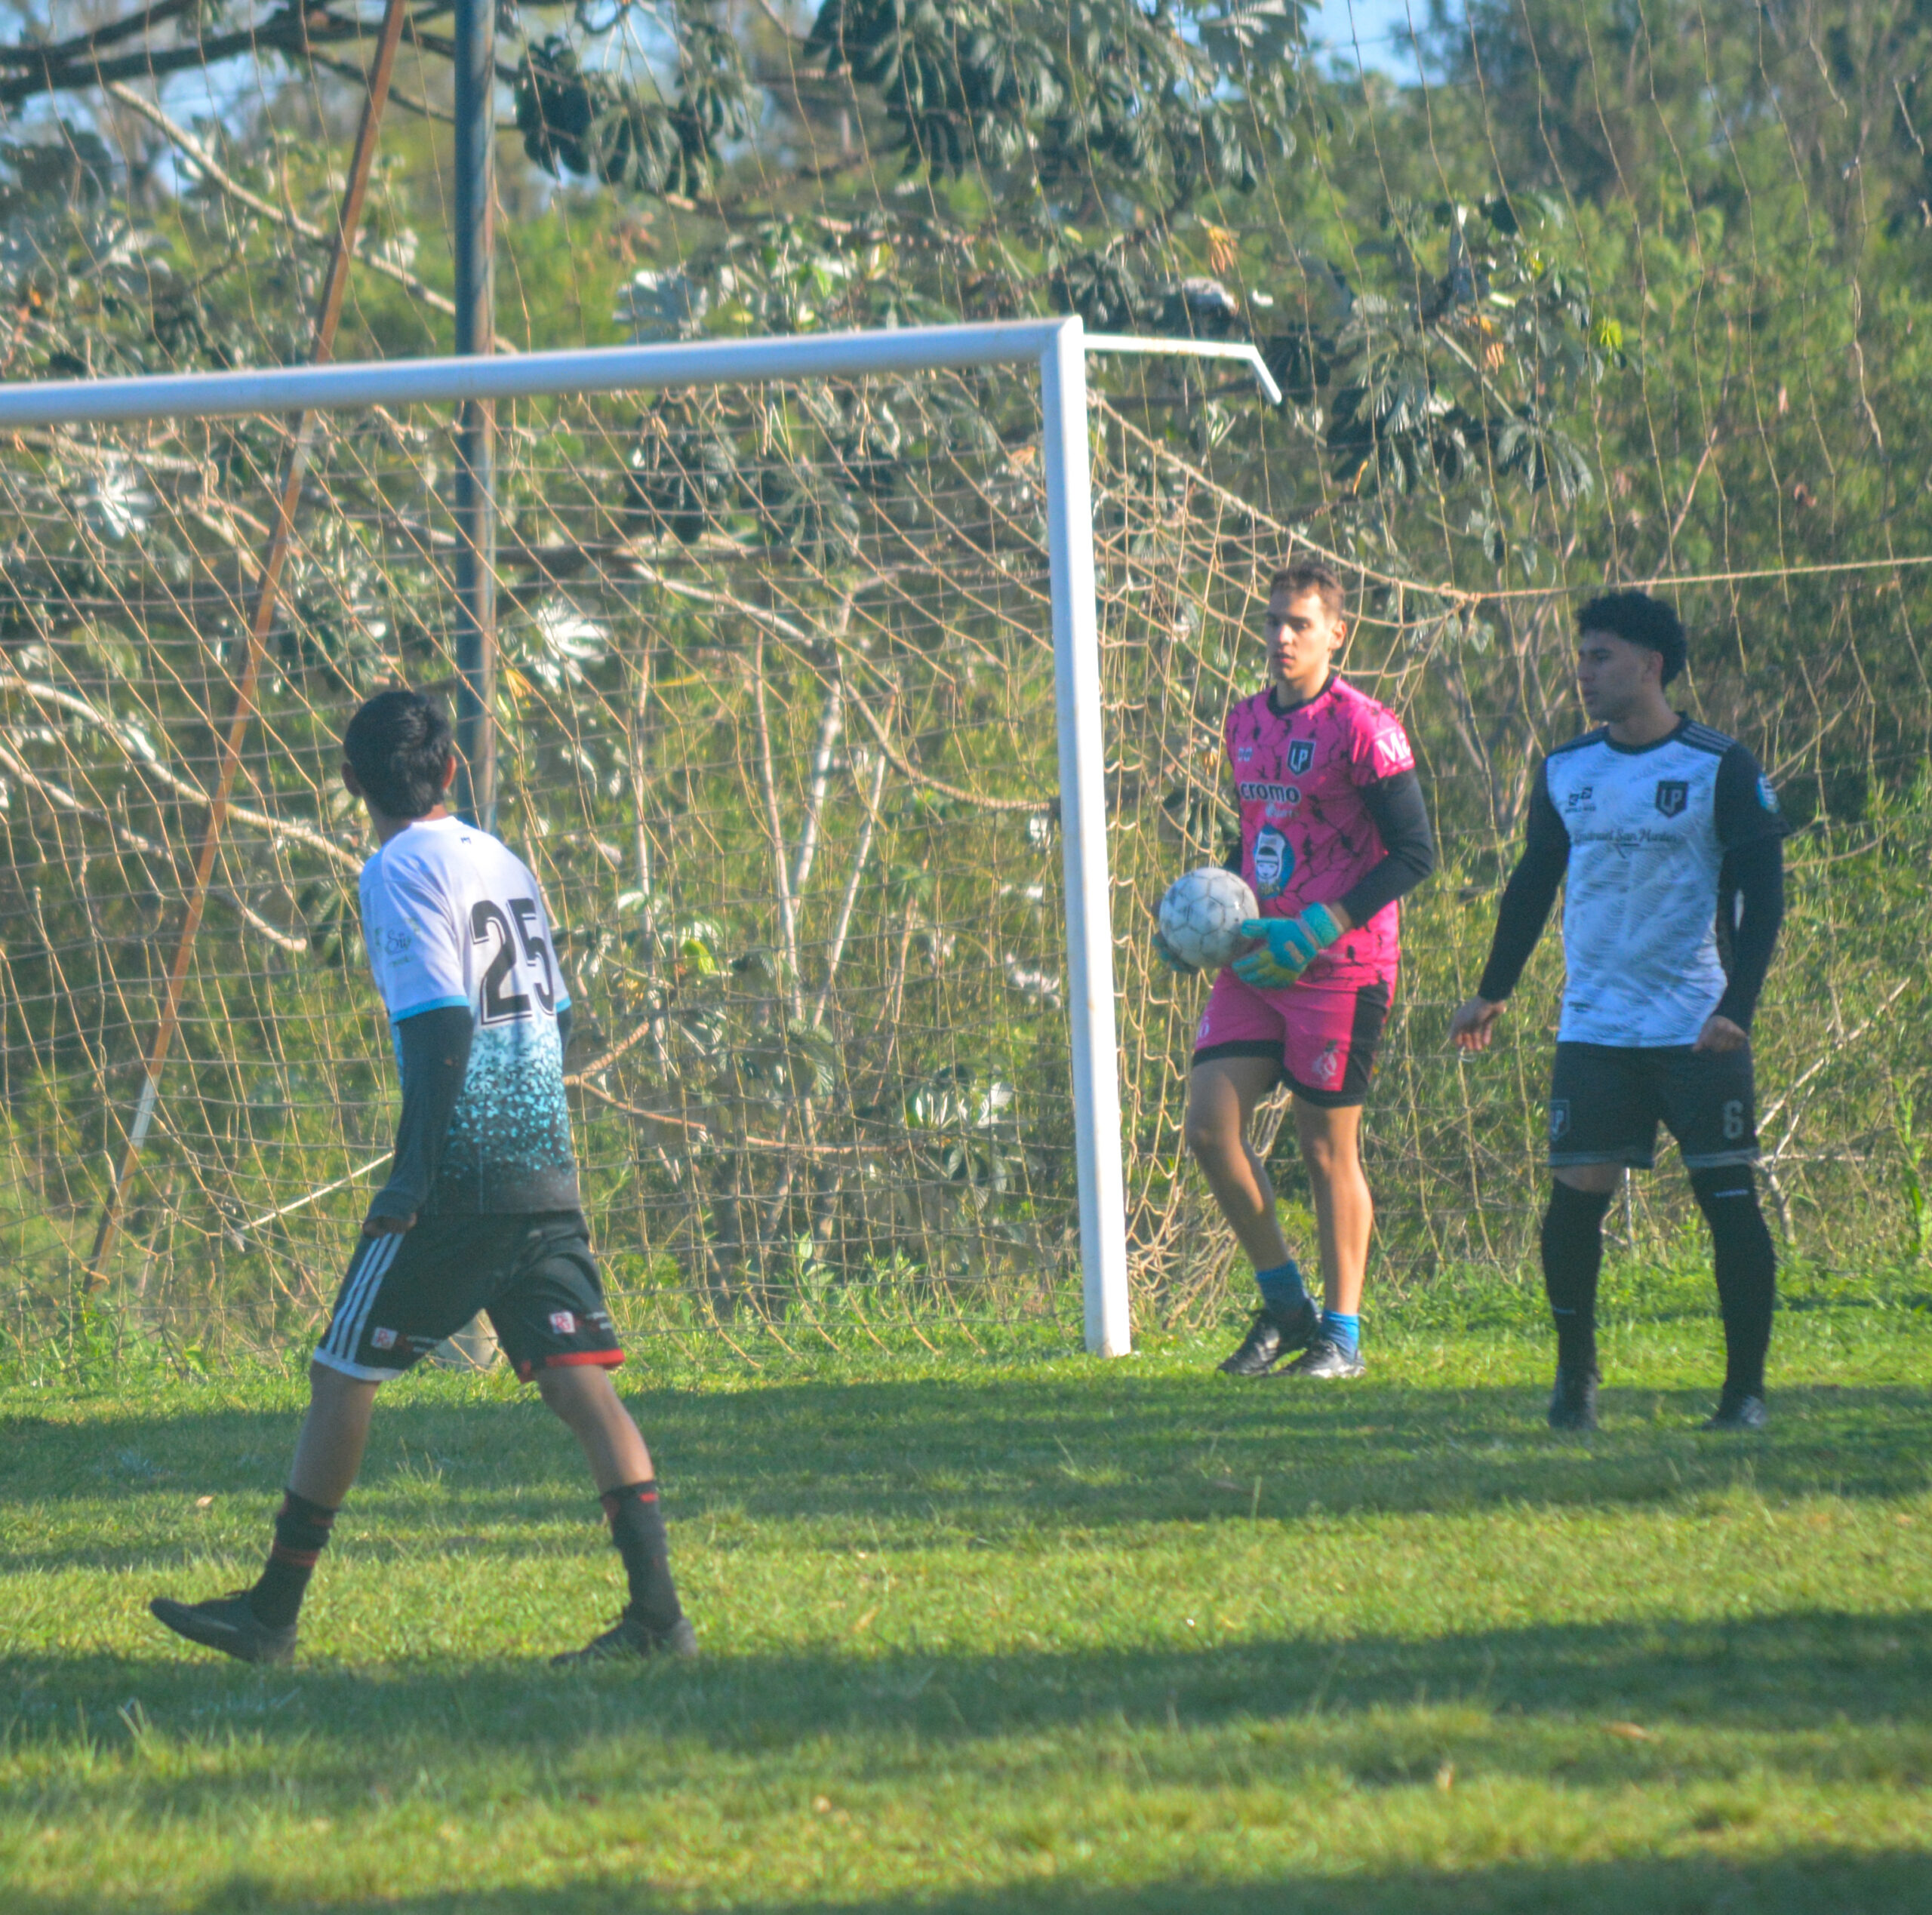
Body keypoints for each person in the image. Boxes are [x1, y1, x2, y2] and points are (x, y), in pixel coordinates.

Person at [151, 689, 696, 1665]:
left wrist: (412, 1179)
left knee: (341, 1370)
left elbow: (443, 1018)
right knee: (579, 1385)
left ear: (350, 782)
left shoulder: (395, 869)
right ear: (450, 769)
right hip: (544, 1172)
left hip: (457, 1186)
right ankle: (659, 1616)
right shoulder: (502, 860)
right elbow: (557, 1015)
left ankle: (270, 1614)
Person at [1449, 591, 1788, 1432]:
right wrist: (1493, 989)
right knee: (1574, 1204)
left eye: (1600, 656)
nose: (1584, 672)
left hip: (1698, 1030)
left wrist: (1738, 1007)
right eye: (1582, 656)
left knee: (1728, 1202)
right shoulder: (1567, 770)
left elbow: (1764, 896)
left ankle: (1744, 1395)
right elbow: (1533, 881)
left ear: (1651, 665)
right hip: (1595, 1029)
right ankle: (1575, 1383)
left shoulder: (1719, 766)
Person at [1159, 561, 1436, 1379]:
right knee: (1209, 1128)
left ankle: (1341, 1337)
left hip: (1342, 966)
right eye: (1273, 621)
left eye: (1300, 624)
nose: (1281, 637)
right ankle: (1287, 1306)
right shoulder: (1244, 720)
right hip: (1257, 961)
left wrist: (1321, 925)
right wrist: (1197, 923)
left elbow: (1416, 853)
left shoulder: (1365, 727)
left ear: (1336, 634)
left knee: (1324, 1149)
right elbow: (1257, 836)